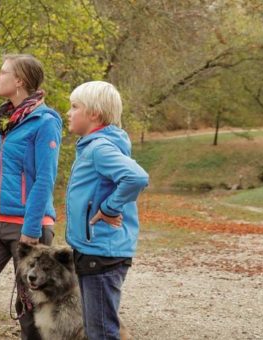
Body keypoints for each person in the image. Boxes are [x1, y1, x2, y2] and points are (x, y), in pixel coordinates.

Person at [0, 54, 62, 340]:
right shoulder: (8, 119)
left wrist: (31, 229)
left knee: (30, 303)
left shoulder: (45, 121)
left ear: (19, 81)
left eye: (3, 72)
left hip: (28, 226)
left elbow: (45, 177)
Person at [65, 81, 149, 340]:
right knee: (95, 329)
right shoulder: (92, 146)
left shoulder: (100, 148)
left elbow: (136, 177)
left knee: (101, 331)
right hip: (93, 250)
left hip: (101, 252)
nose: (68, 112)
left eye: (74, 107)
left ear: (94, 113)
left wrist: (109, 207)